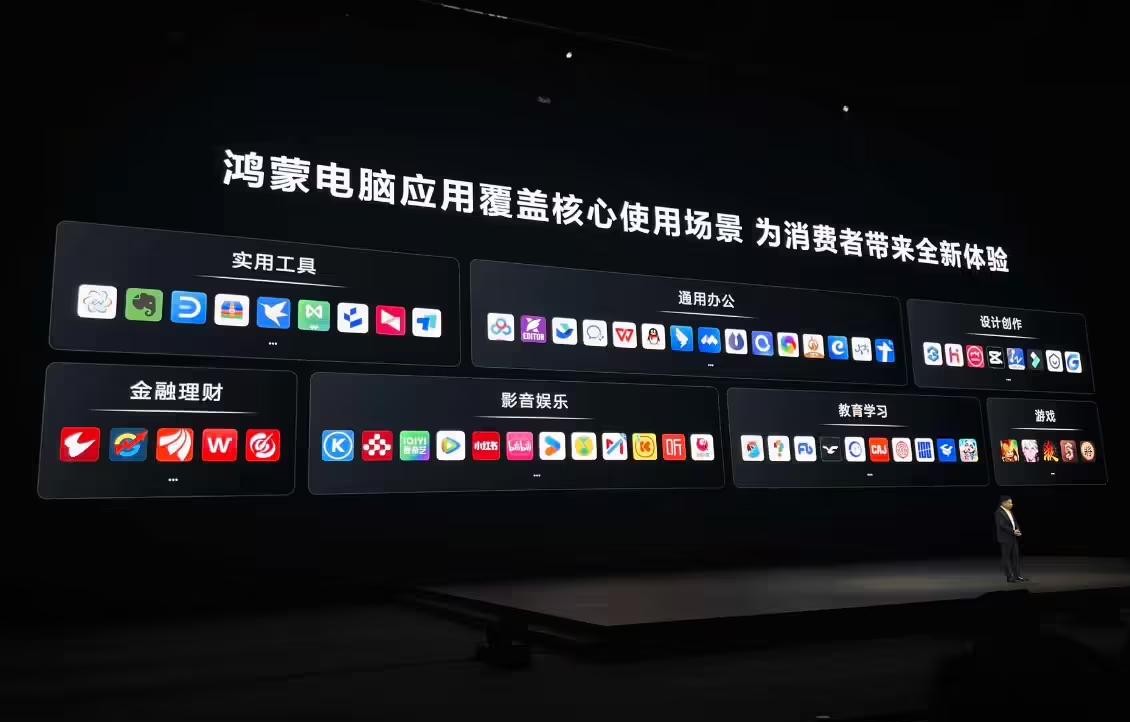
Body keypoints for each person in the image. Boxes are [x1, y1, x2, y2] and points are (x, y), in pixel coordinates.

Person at [995, 496, 1027, 582]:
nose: (1011, 504)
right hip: (1005, 538)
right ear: (1003, 503)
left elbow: (1014, 522)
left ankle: (1017, 576)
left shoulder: (1009, 511)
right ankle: (1009, 577)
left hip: (1013, 537)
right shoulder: (999, 512)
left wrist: (1018, 530)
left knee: (1015, 557)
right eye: (1009, 502)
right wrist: (1013, 531)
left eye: (1011, 502)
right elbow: (1002, 525)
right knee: (1006, 558)